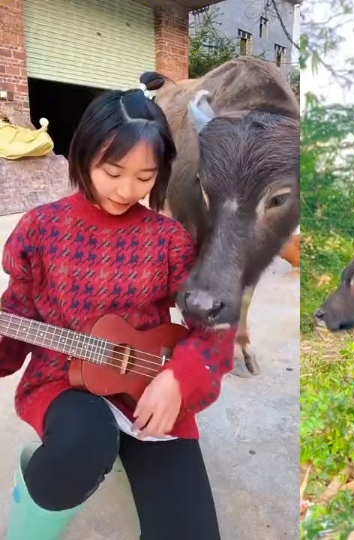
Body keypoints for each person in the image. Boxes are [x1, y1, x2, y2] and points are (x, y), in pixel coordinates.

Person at [0, 81, 236, 539]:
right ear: (83, 154)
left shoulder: (167, 239)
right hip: (63, 381)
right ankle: (34, 489)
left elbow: (217, 324)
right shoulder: (40, 228)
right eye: (112, 171)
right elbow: (15, 319)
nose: (127, 189)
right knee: (85, 444)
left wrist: (178, 378)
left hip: (146, 381)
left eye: (145, 177)